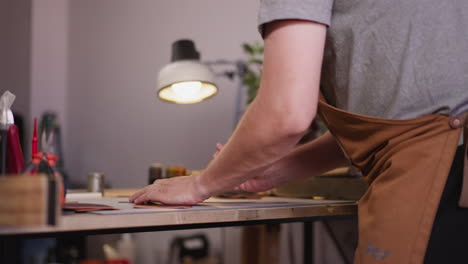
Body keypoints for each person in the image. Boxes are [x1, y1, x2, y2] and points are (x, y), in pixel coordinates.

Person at [131, 1, 468, 263]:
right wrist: (268, 173)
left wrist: (199, 184)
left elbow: (286, 113)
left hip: (441, 174)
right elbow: (393, 120)